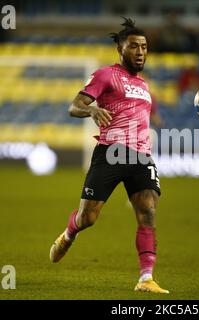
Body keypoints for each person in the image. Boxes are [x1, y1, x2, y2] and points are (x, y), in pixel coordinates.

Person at [49, 17, 169, 294]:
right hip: (111, 153)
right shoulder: (105, 75)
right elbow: (74, 106)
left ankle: (146, 278)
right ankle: (69, 234)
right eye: (134, 46)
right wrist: (91, 110)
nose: (140, 52)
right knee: (88, 218)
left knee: (148, 210)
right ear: (121, 48)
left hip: (140, 156)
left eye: (144, 47)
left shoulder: (144, 85)